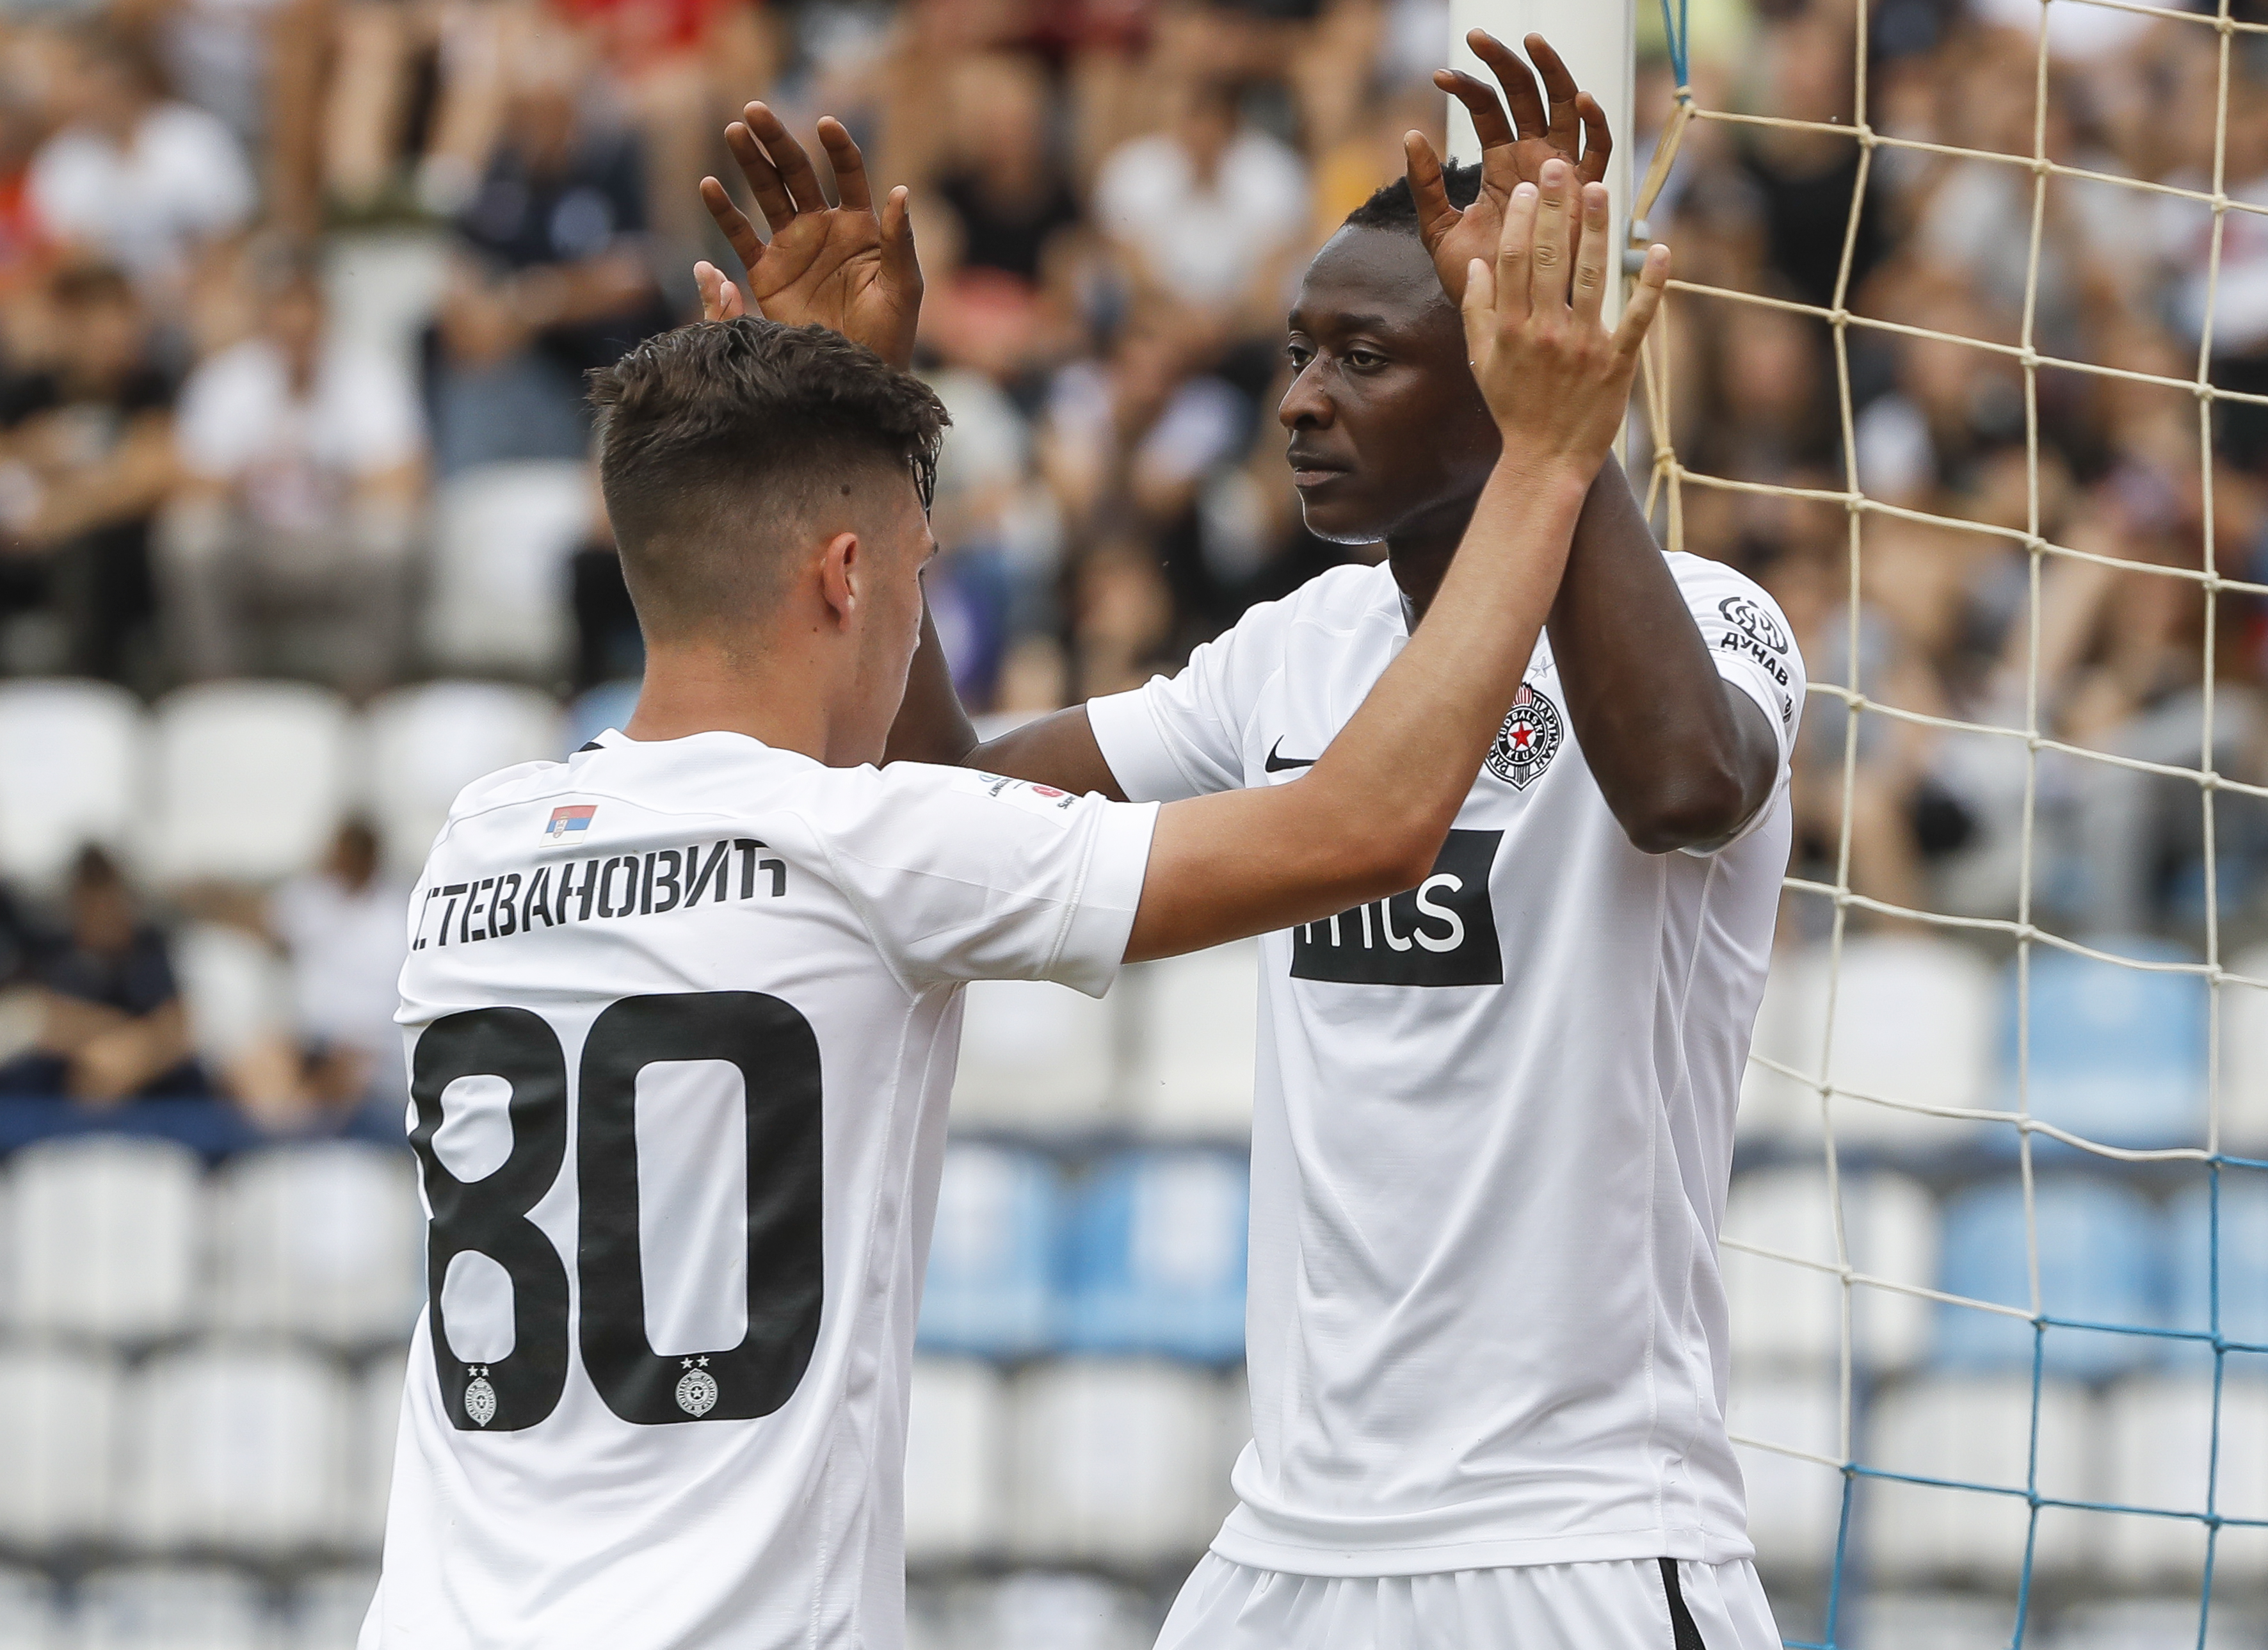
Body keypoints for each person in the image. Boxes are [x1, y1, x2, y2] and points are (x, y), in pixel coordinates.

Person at [362, 163, 1669, 1647]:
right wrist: (1548, 460)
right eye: (918, 570)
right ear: (849, 576)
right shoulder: (869, 850)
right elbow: (1366, 825)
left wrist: (840, 395)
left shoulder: (479, 843)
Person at [695, 36, 1796, 1650]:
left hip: (1578, 1535)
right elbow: (943, 793)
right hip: (1288, 1544)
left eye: (1362, 357)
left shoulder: (1711, 622)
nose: (1297, 398)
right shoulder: (1288, 652)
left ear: (1495, 364)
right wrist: (857, 429)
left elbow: (1684, 787)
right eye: (1296, 354)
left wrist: (1558, 427)